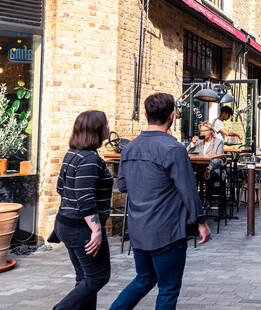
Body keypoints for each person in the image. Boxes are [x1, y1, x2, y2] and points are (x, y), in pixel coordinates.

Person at [111, 93, 211, 310]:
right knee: (168, 288)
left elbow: (124, 185)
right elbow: (188, 189)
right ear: (172, 116)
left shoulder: (129, 148)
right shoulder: (173, 149)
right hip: (167, 231)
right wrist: (200, 221)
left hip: (138, 228)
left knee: (144, 279)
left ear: (146, 115)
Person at [53, 111, 114, 310]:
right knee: (98, 277)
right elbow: (85, 198)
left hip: (66, 223)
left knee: (85, 278)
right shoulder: (89, 159)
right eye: (106, 123)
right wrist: (96, 230)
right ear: (97, 129)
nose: (109, 126)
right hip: (82, 228)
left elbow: (60, 187)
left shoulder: (72, 153)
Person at [187, 122, 225, 197]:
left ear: (211, 131)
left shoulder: (218, 142)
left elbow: (218, 159)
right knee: (191, 175)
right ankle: (195, 199)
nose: (203, 133)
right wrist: (192, 144)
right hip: (200, 168)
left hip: (214, 168)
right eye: (201, 131)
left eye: (205, 131)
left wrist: (209, 168)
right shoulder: (199, 142)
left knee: (209, 175)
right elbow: (186, 153)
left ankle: (208, 201)